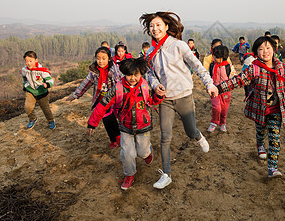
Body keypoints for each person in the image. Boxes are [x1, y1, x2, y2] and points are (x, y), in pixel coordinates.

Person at [140, 11, 218, 189]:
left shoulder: (179, 46)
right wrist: (154, 85)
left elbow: (197, 66)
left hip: (184, 96)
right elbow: (149, 73)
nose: (155, 28)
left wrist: (209, 85)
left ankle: (198, 136)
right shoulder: (150, 52)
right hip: (165, 100)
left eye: (158, 24)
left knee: (190, 131)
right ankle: (166, 174)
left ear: (166, 26)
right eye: (152, 26)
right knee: (165, 137)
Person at [215, 36, 285, 178]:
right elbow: (238, 80)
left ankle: (272, 168)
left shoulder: (282, 67)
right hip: (259, 109)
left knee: (275, 136)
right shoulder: (254, 69)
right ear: (256, 52)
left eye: (268, 48)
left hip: (276, 110)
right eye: (261, 49)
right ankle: (260, 144)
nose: (265, 52)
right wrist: (219, 89)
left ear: (274, 49)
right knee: (261, 131)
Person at [87, 57, 165, 190]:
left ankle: (148, 153)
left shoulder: (145, 86)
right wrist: (92, 123)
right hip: (125, 126)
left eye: (136, 75)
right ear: (124, 73)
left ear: (141, 73)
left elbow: (152, 101)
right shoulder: (117, 89)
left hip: (143, 126)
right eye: (129, 75)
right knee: (127, 153)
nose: (133, 78)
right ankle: (129, 175)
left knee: (142, 152)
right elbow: (103, 105)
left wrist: (158, 95)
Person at [66, 46, 123, 148]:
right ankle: (113, 139)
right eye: (98, 58)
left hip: (113, 100)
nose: (100, 61)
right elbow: (86, 83)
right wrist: (75, 95)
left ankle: (118, 136)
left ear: (109, 58)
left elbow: (120, 83)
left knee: (112, 118)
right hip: (101, 101)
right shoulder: (94, 71)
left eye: (103, 58)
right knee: (106, 120)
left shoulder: (114, 70)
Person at [22, 51, 55, 130]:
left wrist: (47, 85)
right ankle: (32, 118)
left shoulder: (41, 70)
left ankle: (51, 121)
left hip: (42, 92)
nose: (28, 63)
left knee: (45, 109)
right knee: (27, 107)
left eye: (30, 61)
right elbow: (24, 79)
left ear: (36, 60)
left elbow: (50, 80)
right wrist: (25, 86)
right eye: (26, 61)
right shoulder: (24, 70)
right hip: (31, 91)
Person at [207, 45, 232, 133]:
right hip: (215, 90)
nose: (213, 57)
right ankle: (214, 122)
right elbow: (210, 76)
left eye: (215, 56)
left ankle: (222, 123)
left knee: (224, 109)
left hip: (225, 91)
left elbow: (231, 78)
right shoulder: (213, 65)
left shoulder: (228, 66)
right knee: (216, 107)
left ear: (221, 57)